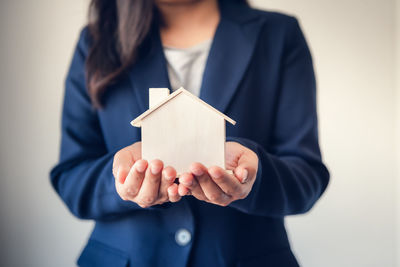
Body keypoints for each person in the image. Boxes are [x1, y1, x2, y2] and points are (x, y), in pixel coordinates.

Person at [50, 0, 330, 266]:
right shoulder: (95, 42)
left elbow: (307, 176)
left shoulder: (278, 35)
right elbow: (72, 178)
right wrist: (121, 182)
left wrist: (255, 176)